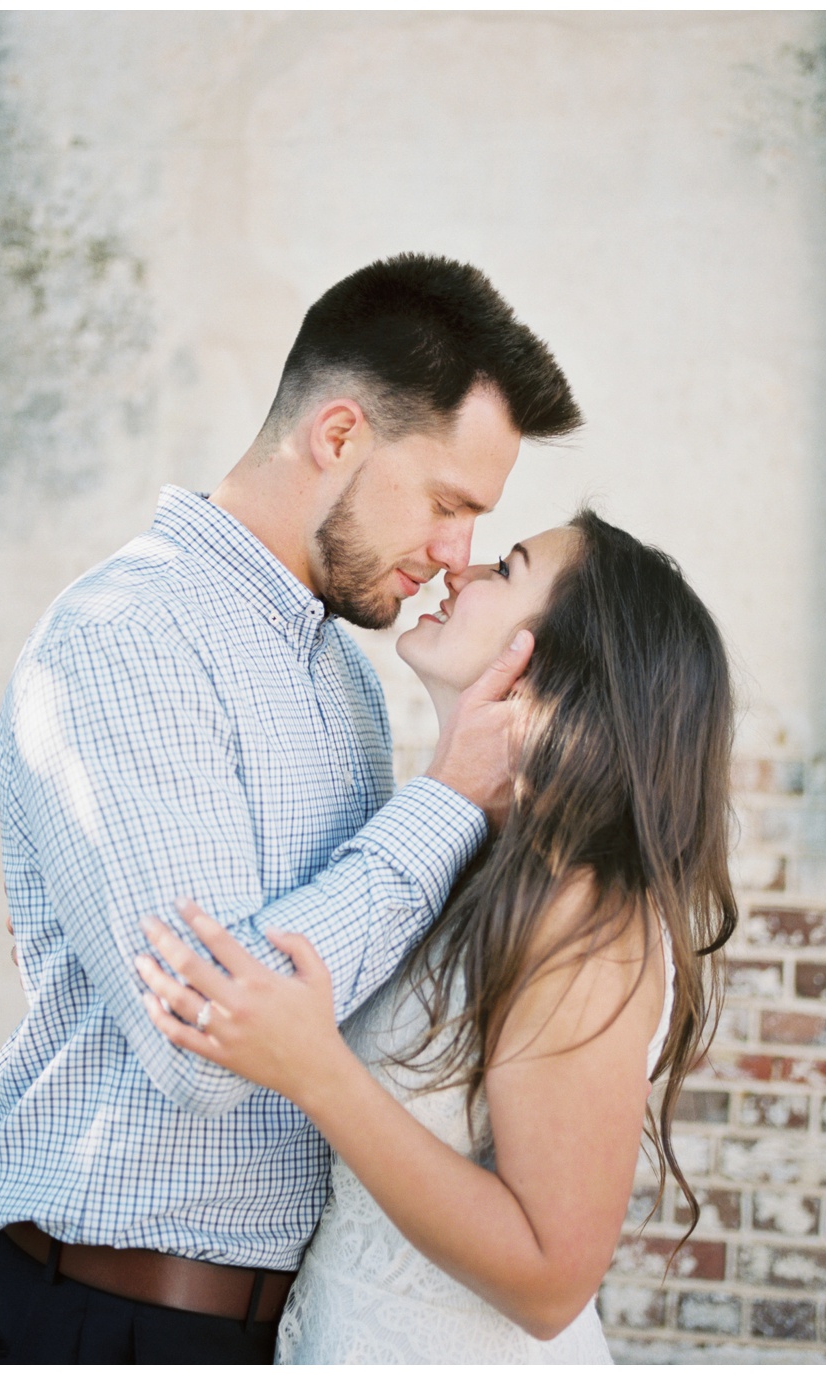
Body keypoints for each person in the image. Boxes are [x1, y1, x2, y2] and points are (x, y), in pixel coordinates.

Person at [0, 254, 583, 1364]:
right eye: (447, 504)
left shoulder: (337, 667)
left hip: (286, 1329)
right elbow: (207, 1039)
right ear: (337, 436)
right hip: (111, 1322)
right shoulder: (130, 635)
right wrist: (443, 803)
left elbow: (336, 991)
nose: (455, 556)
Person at [132, 510, 735, 1361]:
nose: (462, 569)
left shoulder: (584, 912)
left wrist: (319, 1072)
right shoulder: (460, 857)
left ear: (562, 664)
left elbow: (551, 1278)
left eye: (508, 567)